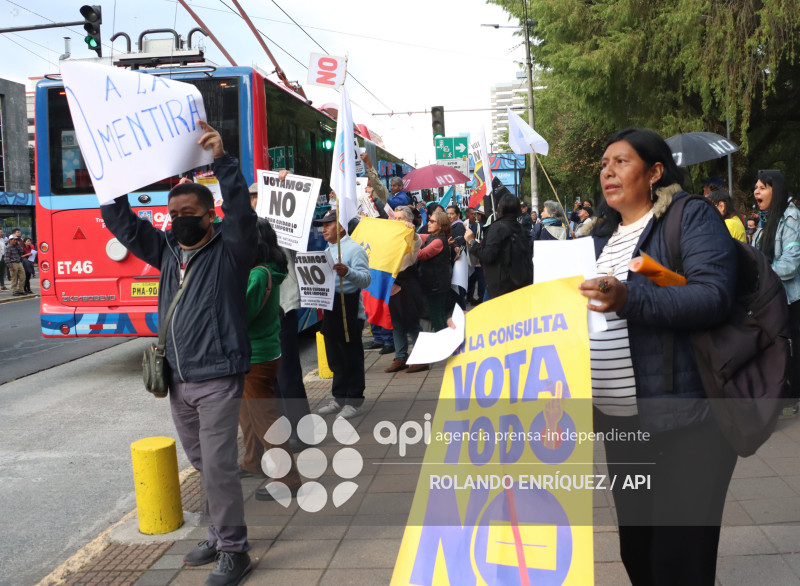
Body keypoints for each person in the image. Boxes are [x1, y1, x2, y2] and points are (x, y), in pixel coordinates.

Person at [579, 128, 738, 585]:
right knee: (639, 554)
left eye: (621, 162)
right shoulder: (602, 239)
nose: (608, 171)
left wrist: (630, 298)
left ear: (654, 172)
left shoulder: (689, 217)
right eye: (605, 163)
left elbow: (712, 297)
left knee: (679, 562)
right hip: (622, 425)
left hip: (688, 421)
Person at [101, 121, 256, 586]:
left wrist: (222, 161)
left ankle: (235, 550)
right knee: (202, 464)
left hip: (218, 376)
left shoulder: (231, 250)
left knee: (220, 466)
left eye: (188, 212)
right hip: (178, 380)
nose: (178, 219)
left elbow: (243, 218)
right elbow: (123, 224)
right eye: (173, 213)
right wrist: (113, 181)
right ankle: (217, 532)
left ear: (210, 215)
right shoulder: (167, 248)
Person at [248, 178, 311, 449]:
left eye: (259, 196)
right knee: (271, 377)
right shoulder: (248, 228)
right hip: (266, 310)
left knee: (287, 373)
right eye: (251, 197)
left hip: (283, 305)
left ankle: (302, 432)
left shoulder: (282, 227)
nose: (254, 201)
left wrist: (286, 186)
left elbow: (298, 246)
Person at [314, 210, 371, 419]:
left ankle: (354, 402)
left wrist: (347, 272)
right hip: (331, 307)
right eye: (322, 225)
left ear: (340, 227)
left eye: (328, 225)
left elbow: (366, 280)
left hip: (349, 308)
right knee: (335, 357)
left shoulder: (354, 250)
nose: (323, 230)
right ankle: (339, 398)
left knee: (351, 357)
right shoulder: (327, 249)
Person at [753, 170, 800, 414]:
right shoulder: (765, 223)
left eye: (762, 187)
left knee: (792, 349)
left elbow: (791, 263)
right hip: (771, 298)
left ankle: (793, 398)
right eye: (756, 187)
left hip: (792, 299)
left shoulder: (791, 217)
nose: (756, 192)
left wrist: (763, 275)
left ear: (776, 189)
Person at [463, 194, 533, 299]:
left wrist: (471, 241)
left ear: (500, 207)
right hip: (522, 284)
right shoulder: (521, 229)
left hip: (502, 287)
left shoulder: (498, 228)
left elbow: (488, 255)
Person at [384, 205, 427, 373]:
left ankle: (421, 357)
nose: (397, 221)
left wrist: (412, 231)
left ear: (409, 221)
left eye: (400, 218)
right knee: (397, 323)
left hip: (407, 283)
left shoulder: (412, 237)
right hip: (392, 283)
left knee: (412, 322)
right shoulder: (391, 236)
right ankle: (401, 356)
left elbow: (417, 242)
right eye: (395, 218)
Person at [417, 210, 452, 331]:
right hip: (436, 285)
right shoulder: (433, 237)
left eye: (432, 221)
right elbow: (417, 237)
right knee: (439, 315)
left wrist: (409, 246)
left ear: (441, 225)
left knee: (437, 316)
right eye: (429, 220)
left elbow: (421, 254)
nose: (428, 223)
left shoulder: (438, 241)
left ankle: (443, 346)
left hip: (436, 286)